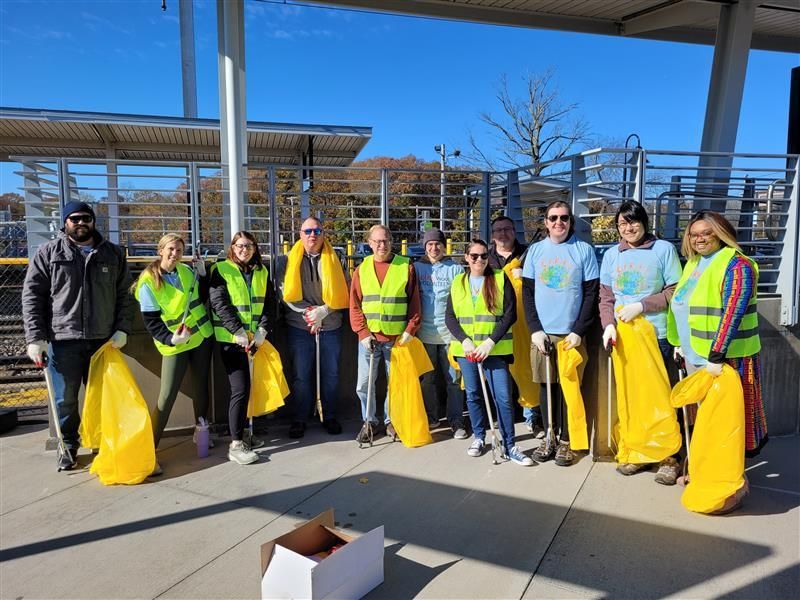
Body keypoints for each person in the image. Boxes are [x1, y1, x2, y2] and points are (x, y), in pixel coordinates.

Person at [23, 201, 132, 471]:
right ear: (65, 223)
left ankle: (103, 443)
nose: (80, 222)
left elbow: (125, 296)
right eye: (74, 218)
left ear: (93, 221)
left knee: (103, 397)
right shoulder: (48, 253)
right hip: (63, 339)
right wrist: (35, 338)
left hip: (102, 340)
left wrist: (122, 329)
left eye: (86, 218)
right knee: (66, 399)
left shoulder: (114, 254)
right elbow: (32, 295)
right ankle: (68, 445)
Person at [668, 210, 767, 462]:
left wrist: (716, 355)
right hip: (695, 357)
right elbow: (683, 305)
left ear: (721, 233)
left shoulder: (737, 264)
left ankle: (732, 484)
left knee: (729, 423)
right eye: (693, 235)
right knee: (705, 420)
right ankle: (704, 470)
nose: (699, 239)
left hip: (727, 361)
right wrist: (679, 343)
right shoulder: (693, 264)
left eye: (706, 233)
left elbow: (732, 314)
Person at [599, 200, 683, 484]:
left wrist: (643, 306)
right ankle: (638, 451)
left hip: (657, 335)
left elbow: (675, 291)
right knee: (632, 399)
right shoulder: (612, 255)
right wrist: (608, 325)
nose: (628, 228)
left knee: (662, 396)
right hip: (625, 338)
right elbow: (606, 296)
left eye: (633, 221)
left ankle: (670, 456)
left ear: (644, 222)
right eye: (622, 223)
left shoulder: (663, 250)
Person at [522, 201, 599, 467]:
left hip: (570, 336)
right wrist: (534, 329)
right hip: (543, 334)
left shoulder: (583, 250)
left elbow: (591, 294)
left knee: (570, 389)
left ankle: (567, 440)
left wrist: (579, 330)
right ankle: (550, 436)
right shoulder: (534, 252)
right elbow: (528, 294)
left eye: (564, 218)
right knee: (546, 387)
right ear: (545, 222)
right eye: (553, 218)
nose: (558, 222)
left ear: (571, 221)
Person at [445, 239, 532, 466]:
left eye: (484, 256)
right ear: (466, 257)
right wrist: (464, 341)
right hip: (468, 352)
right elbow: (450, 317)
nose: (480, 260)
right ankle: (479, 437)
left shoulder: (500, 279)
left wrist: (490, 343)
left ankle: (510, 443)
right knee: (473, 395)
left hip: (495, 350)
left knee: (502, 397)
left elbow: (510, 315)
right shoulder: (458, 282)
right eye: (474, 256)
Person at [134, 234, 213, 466]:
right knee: (167, 395)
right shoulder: (148, 281)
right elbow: (151, 321)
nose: (174, 254)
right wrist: (170, 339)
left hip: (200, 337)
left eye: (179, 250)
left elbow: (202, 298)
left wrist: (203, 275)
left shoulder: (186, 272)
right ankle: (149, 447)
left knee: (201, 386)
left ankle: (201, 430)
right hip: (174, 344)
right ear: (160, 250)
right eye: (170, 249)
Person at [275, 216, 349, 438]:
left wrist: (324, 311)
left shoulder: (337, 259)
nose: (312, 235)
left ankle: (330, 416)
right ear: (300, 234)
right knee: (301, 375)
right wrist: (310, 313)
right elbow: (284, 294)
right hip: (300, 326)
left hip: (331, 325)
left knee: (331, 374)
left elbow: (344, 291)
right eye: (307, 231)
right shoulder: (286, 261)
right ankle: (299, 418)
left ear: (323, 233)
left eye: (317, 231)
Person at [350, 224, 421, 441]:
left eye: (386, 240)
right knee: (364, 383)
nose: (382, 245)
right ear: (369, 243)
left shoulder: (405, 266)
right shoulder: (361, 270)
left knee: (395, 384)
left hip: (397, 338)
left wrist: (410, 329)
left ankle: (392, 421)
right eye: (377, 241)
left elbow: (414, 303)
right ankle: (369, 421)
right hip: (370, 339)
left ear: (392, 241)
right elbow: (354, 304)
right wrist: (362, 333)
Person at [209, 231, 270, 465]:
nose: (244, 249)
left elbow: (268, 303)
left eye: (249, 245)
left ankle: (243, 434)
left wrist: (263, 330)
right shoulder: (220, 270)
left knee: (249, 389)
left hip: (254, 341)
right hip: (231, 342)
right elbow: (219, 303)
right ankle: (235, 444)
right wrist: (237, 331)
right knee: (240, 389)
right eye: (240, 245)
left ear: (255, 248)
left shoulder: (261, 271)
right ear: (232, 248)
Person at [489, 215, 543, 438]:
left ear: (514, 231)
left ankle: (533, 419)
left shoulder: (529, 255)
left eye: (508, 229)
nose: (503, 233)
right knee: (500, 374)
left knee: (528, 371)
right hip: (497, 325)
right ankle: (503, 420)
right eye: (499, 230)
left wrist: (527, 277)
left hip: (524, 324)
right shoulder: (486, 258)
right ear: (493, 236)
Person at [414, 227, 467, 438]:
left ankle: (456, 420)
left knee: (453, 380)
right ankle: (431, 416)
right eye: (430, 244)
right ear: (425, 247)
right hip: (424, 334)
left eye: (437, 244)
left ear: (444, 246)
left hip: (450, 336)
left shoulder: (455, 269)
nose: (434, 248)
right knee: (427, 380)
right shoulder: (416, 268)